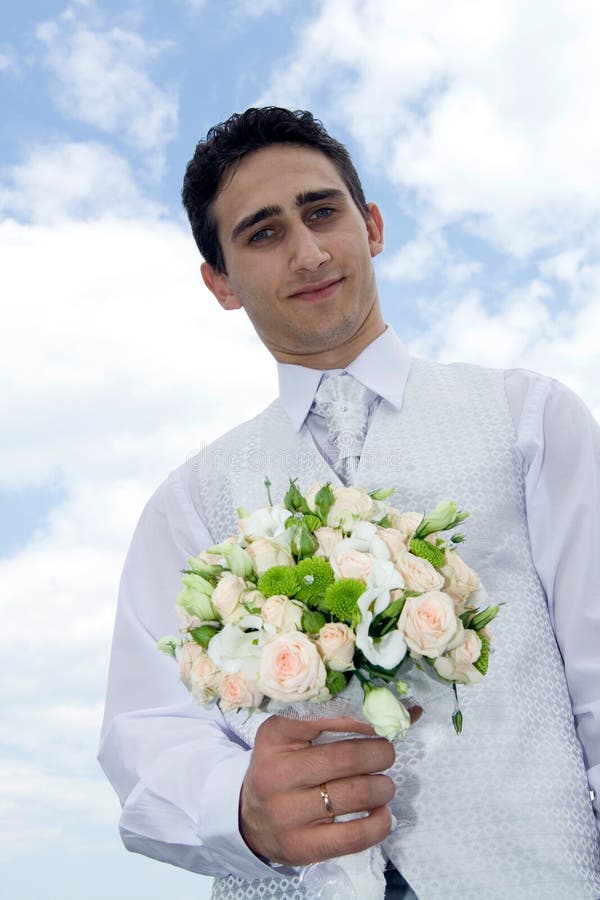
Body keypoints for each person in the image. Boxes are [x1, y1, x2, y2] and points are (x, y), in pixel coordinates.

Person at [99, 107, 600, 899]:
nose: (307, 251)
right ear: (220, 282)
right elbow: (146, 735)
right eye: (262, 234)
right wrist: (239, 811)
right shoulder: (188, 503)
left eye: (322, 211)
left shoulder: (530, 420)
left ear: (370, 225)